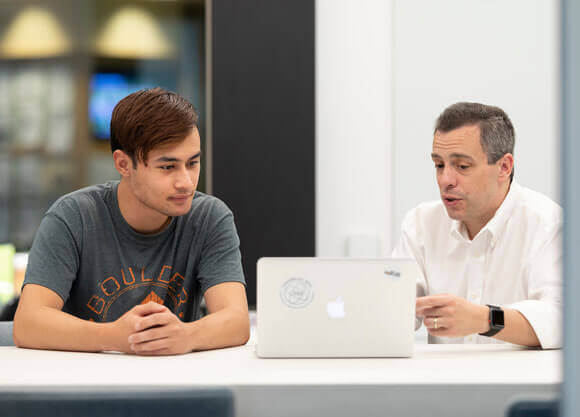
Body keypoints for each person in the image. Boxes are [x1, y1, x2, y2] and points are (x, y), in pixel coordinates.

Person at [13, 88, 250, 355]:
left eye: (193, 163)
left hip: (176, 382)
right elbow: (28, 324)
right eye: (167, 167)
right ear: (124, 164)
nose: (186, 182)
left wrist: (187, 336)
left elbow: (237, 321)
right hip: (85, 384)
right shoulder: (73, 216)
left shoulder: (210, 218)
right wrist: (114, 337)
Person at [393, 102, 562, 349]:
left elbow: (562, 320)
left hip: (519, 384)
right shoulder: (421, 223)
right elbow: (391, 314)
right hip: (441, 383)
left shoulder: (547, 223)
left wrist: (483, 319)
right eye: (439, 165)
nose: (445, 180)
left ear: (504, 167)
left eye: (462, 166)